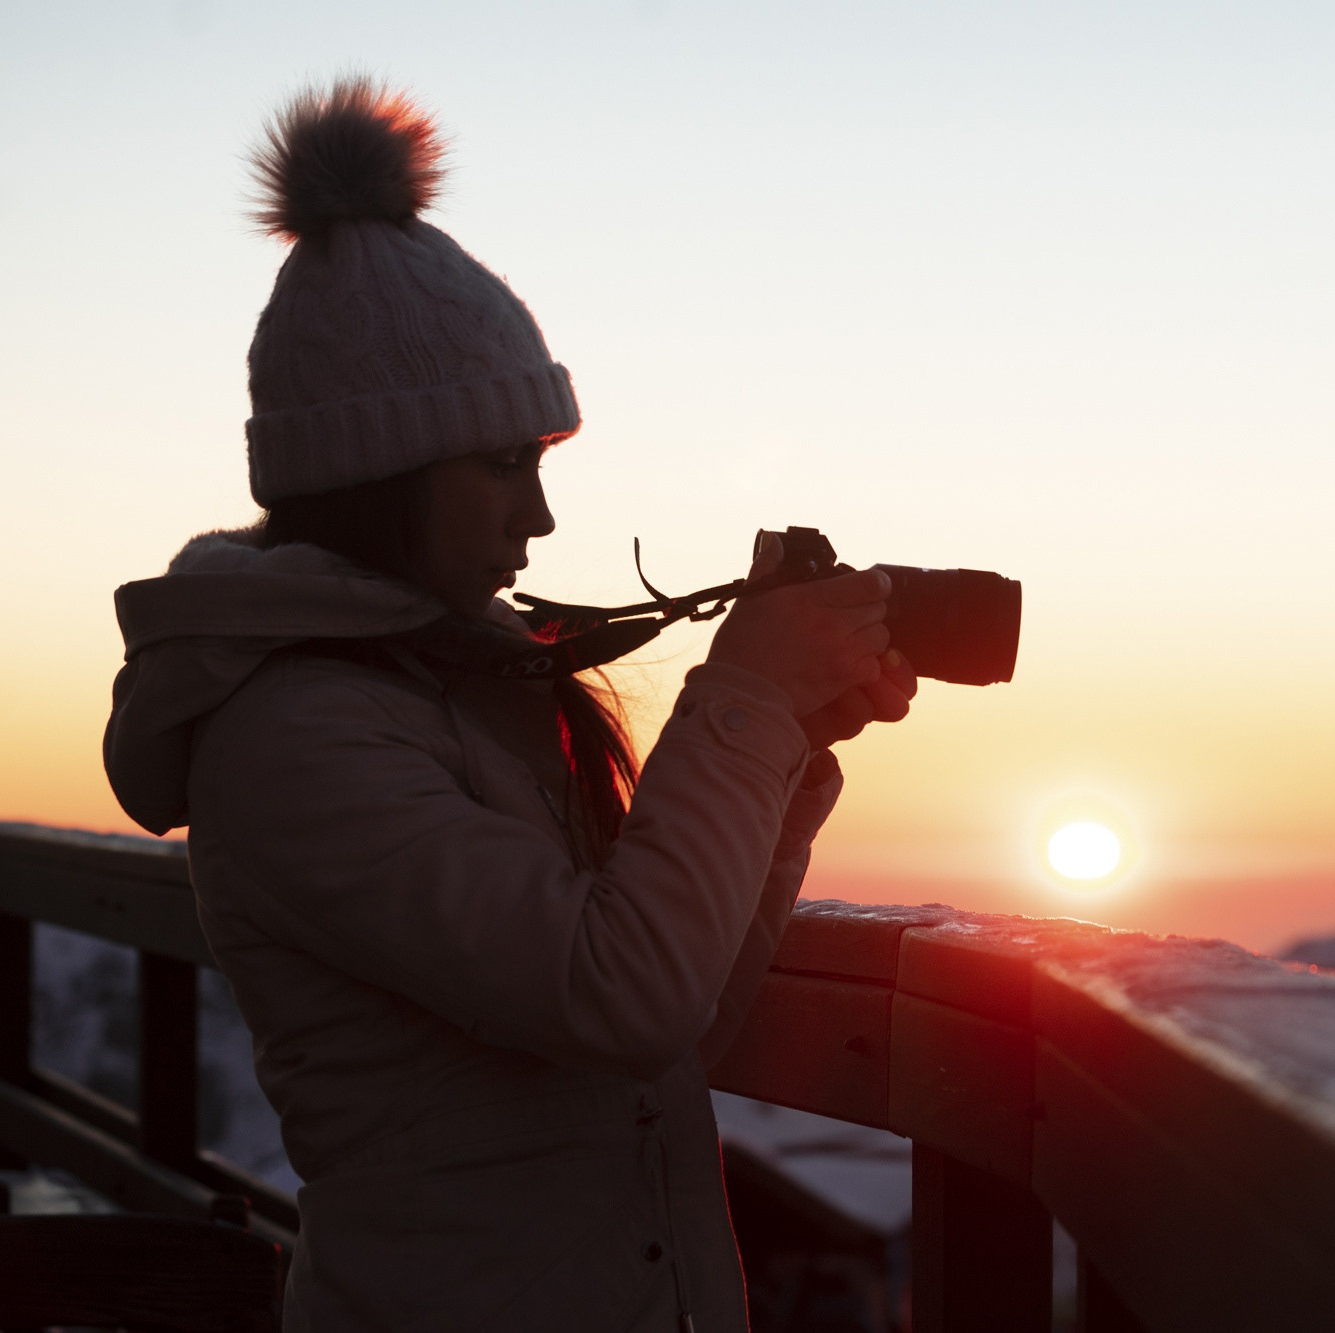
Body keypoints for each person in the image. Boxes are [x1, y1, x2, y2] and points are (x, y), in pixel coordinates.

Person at [102, 77, 916, 1332]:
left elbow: (674, 1021)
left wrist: (786, 744)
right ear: (378, 471)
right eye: (501, 467)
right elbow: (623, 992)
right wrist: (746, 701)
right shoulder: (295, 736)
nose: (536, 515)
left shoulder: (469, 687)